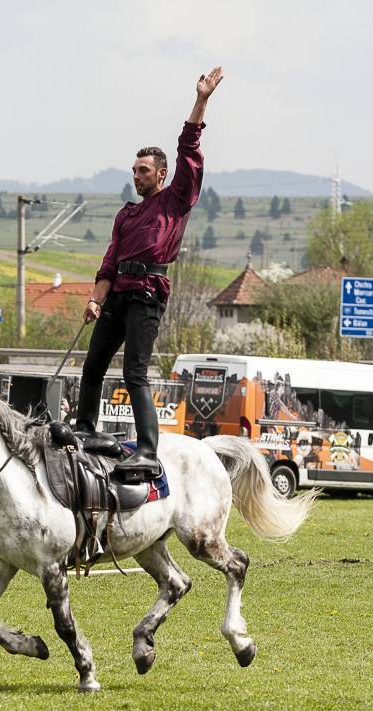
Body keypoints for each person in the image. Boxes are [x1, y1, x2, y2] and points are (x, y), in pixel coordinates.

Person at [75, 66, 224, 483]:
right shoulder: (127, 214)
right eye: (134, 170)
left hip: (147, 294)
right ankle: (85, 428)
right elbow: (108, 264)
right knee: (92, 366)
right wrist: (94, 299)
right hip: (117, 293)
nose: (137, 175)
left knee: (134, 372)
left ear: (160, 174)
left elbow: (188, 148)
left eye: (144, 170)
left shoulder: (176, 200)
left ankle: (146, 449)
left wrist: (201, 100)